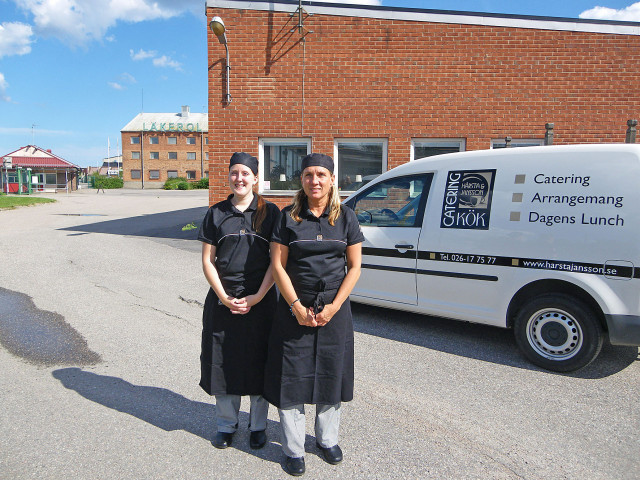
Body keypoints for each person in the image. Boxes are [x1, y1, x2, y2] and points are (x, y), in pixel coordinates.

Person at [264, 153, 364, 476]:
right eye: (308, 174)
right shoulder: (288, 217)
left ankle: (326, 439)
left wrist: (334, 307)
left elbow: (355, 267)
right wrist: (294, 306)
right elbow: (278, 264)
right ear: (302, 180)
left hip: (334, 310)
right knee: (291, 378)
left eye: (321, 174)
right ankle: (293, 449)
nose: (315, 180)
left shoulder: (346, 217)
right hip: (295, 308)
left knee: (331, 374)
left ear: (332, 179)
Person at [197, 152, 280, 450]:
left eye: (245, 173)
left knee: (261, 362)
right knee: (224, 363)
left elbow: (277, 262)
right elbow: (208, 261)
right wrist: (223, 296)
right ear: (229, 176)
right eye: (234, 173)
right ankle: (226, 425)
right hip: (223, 302)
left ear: (256, 178)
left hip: (262, 303)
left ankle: (258, 426)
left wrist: (257, 297)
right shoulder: (216, 213)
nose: (240, 178)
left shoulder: (271, 214)